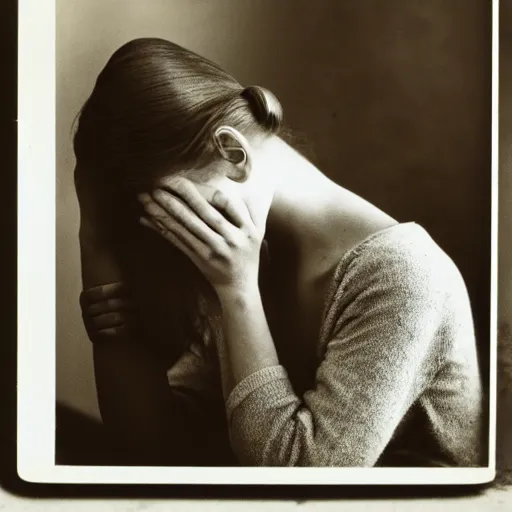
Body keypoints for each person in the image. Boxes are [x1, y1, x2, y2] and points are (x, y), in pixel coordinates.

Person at [74, 37, 484, 467]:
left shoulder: (402, 273)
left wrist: (237, 293)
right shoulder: (250, 253)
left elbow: (299, 477)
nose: (168, 239)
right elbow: (155, 450)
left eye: (172, 213)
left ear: (233, 155)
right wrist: (95, 239)